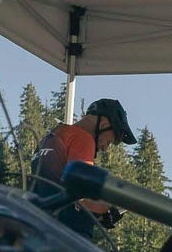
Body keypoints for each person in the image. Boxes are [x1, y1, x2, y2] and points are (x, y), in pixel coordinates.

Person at [29, 98, 135, 238]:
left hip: (37, 224)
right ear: (103, 124)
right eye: (109, 142)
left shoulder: (53, 136)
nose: (105, 148)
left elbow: (55, 191)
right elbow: (82, 197)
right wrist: (107, 210)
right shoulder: (83, 139)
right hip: (67, 235)